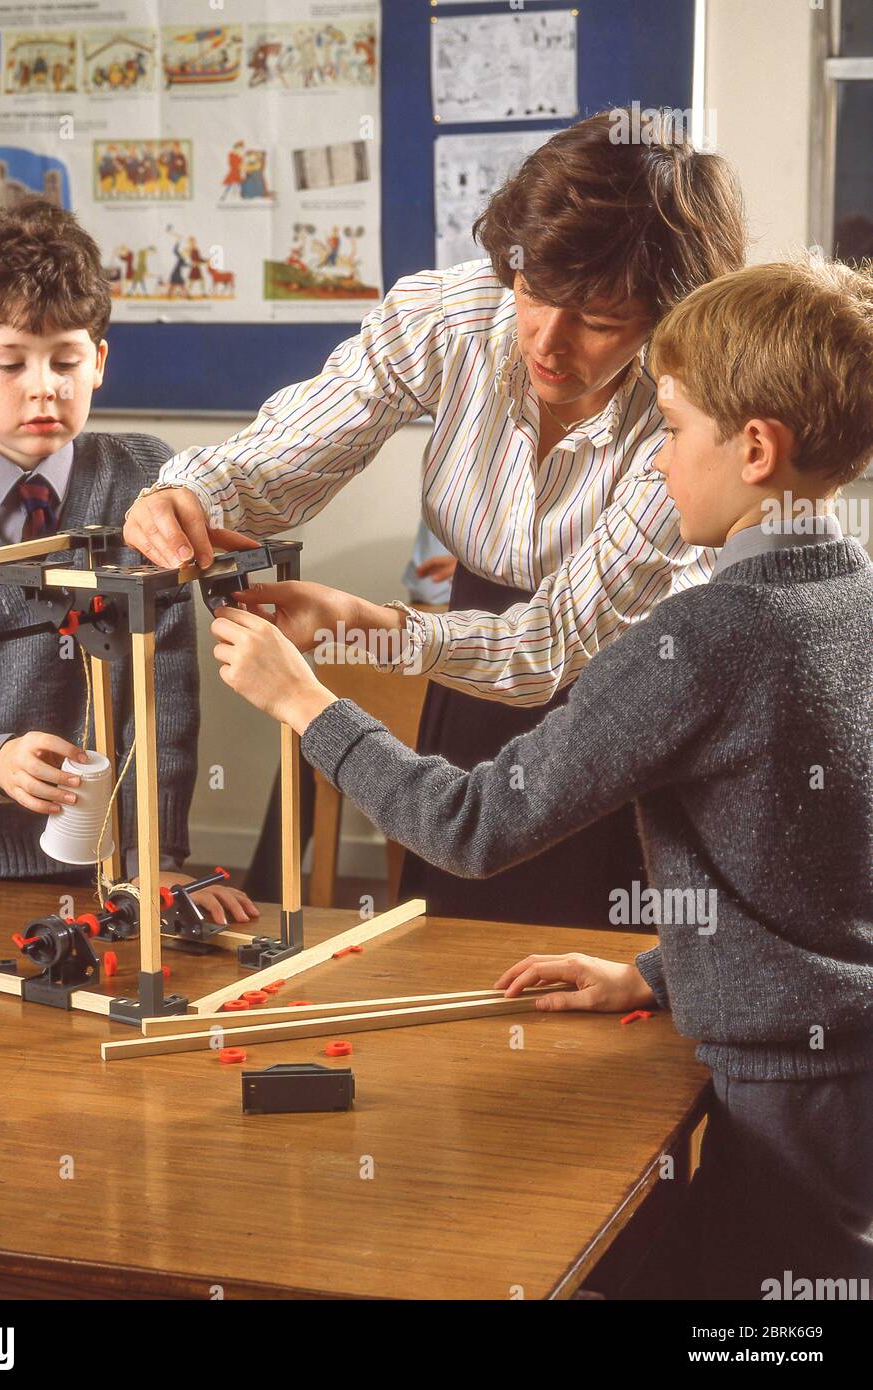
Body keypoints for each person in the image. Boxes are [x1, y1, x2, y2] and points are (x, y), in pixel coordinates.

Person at [208, 254, 873, 1299]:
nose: (653, 463)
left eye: (668, 425)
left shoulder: (703, 639)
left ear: (753, 447)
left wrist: (303, 703)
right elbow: (808, 879)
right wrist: (651, 973)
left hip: (783, 1097)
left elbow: (471, 825)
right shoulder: (850, 596)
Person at [123, 106, 748, 928]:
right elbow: (288, 455)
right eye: (534, 292)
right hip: (473, 655)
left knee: (610, 970)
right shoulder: (451, 315)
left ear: (667, 319)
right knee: (456, 928)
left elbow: (556, 645)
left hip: (635, 680)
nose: (549, 343)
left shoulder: (692, 407)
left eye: (597, 322)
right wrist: (191, 495)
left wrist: (370, 628)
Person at [0, 198, 257, 929]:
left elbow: (163, 694)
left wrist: (157, 859)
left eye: (67, 360)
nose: (44, 385)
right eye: (10, 362)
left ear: (99, 361)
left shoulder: (146, 480)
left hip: (116, 867)